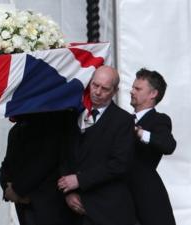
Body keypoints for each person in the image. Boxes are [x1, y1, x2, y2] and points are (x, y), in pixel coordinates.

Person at [57, 65, 136, 225]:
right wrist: (67, 191)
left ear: (115, 91)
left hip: (107, 211)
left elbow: (119, 164)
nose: (98, 92)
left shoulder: (123, 121)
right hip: (71, 210)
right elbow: (62, 156)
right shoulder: (73, 114)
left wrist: (80, 180)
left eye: (105, 89)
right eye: (95, 85)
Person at [0, 110, 77, 225]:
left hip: (46, 205)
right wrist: (7, 187)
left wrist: (17, 190)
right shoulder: (15, 131)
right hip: (22, 204)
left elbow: (43, 163)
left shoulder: (51, 127)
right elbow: (6, 165)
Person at [128, 68, 176, 225]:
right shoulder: (123, 120)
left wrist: (141, 133)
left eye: (138, 88)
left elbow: (168, 145)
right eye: (133, 87)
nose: (131, 91)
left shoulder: (159, 120)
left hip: (147, 200)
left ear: (153, 94)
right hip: (121, 198)